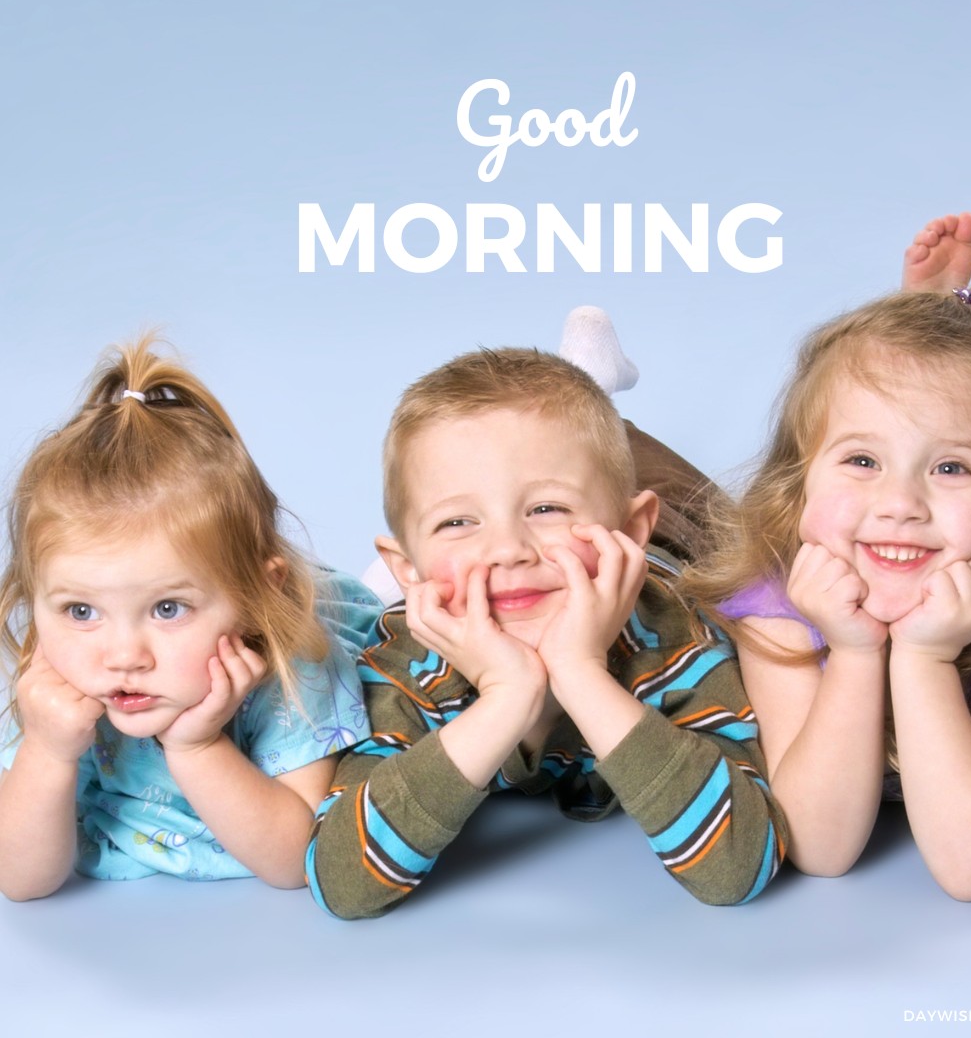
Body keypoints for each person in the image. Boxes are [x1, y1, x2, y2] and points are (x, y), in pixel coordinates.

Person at [305, 348, 788, 918]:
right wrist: (507, 696)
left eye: (547, 508)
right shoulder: (406, 665)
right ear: (405, 571)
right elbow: (341, 882)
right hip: (528, 564)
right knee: (549, 450)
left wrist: (581, 674)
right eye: (457, 522)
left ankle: (594, 384)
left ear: (630, 530)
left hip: (682, 538)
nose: (508, 548)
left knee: (730, 531)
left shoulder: (677, 644)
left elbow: (737, 864)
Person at [679, 217, 971, 900]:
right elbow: (820, 846)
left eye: (951, 469)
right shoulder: (780, 600)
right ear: (798, 492)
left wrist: (926, 661)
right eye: (862, 460)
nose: (900, 504)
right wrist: (856, 654)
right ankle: (954, 329)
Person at [0, 338, 379, 899]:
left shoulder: (297, 674)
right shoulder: (60, 679)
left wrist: (197, 747)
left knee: (412, 641)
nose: (123, 655)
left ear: (253, 597)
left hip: (339, 627)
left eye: (167, 608)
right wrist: (47, 752)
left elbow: (295, 862)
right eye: (81, 610)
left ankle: (384, 585)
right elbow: (20, 881)